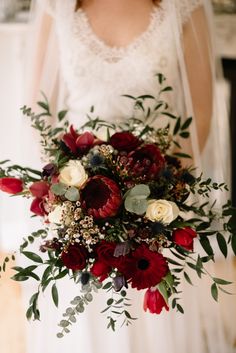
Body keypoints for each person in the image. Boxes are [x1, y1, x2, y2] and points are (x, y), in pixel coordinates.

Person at [21, 1, 235, 353]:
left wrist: (157, 196)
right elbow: (41, 113)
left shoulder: (185, 7)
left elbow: (199, 113)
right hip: (78, 200)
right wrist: (68, 191)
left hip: (158, 199)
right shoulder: (57, 8)